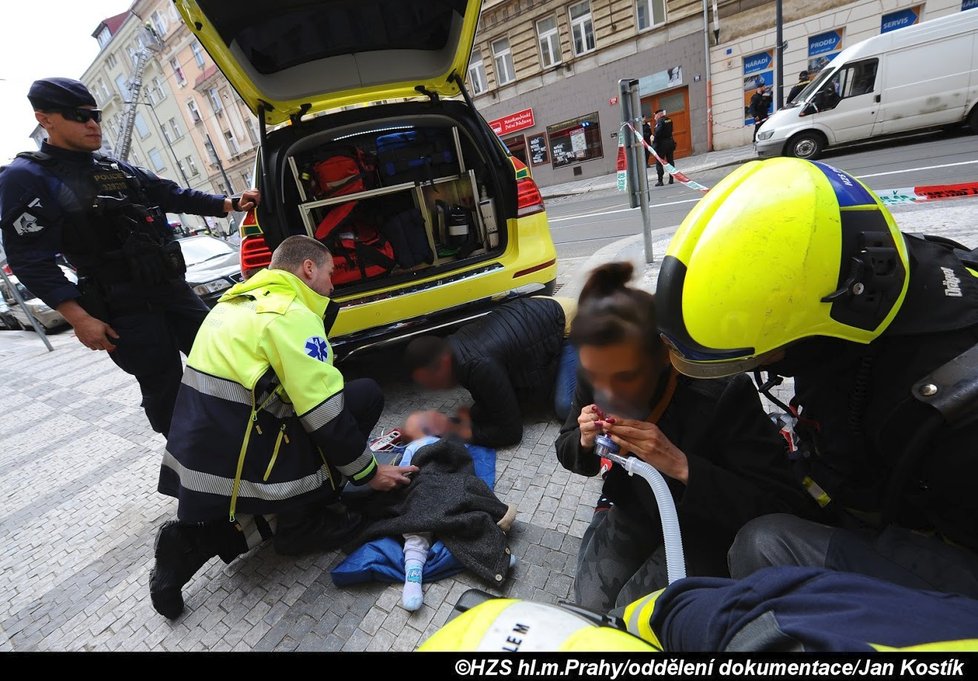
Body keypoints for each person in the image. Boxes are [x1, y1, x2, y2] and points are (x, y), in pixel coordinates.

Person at [655, 157, 978, 598]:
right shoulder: (867, 280)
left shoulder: (954, 411)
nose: (764, 368)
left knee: (762, 545)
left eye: (769, 355)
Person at [150, 235, 418, 619]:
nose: (332, 285)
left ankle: (192, 542)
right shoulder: (290, 313)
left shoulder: (235, 302)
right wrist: (369, 473)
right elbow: (324, 413)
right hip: (245, 461)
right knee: (363, 397)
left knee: (337, 410)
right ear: (308, 268)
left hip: (205, 464)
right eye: (330, 273)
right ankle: (303, 525)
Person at [554, 263, 820, 613]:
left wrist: (681, 465)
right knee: (590, 606)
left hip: (706, 526)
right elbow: (567, 444)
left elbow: (779, 504)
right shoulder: (595, 372)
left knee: (631, 617)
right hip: (636, 506)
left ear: (665, 359)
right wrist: (585, 440)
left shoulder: (721, 392)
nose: (608, 395)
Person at [0, 77, 259, 436]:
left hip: (170, 289)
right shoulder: (27, 176)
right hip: (125, 306)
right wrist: (78, 318)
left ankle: (251, 445)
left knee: (230, 364)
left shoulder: (110, 166)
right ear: (46, 120)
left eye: (95, 115)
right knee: (166, 392)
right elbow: (29, 259)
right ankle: (190, 474)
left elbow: (167, 193)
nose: (93, 124)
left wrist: (228, 203)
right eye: (79, 116)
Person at [402, 295, 578, 448]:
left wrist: (449, 429)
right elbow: (490, 405)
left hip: (570, 324)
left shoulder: (478, 364)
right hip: (538, 311)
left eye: (430, 381)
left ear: (443, 362)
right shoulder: (454, 350)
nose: (432, 388)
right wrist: (438, 424)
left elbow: (511, 433)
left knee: (564, 406)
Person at [651, 109, 676, 186]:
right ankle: (671, 179)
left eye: (655, 115)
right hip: (670, 142)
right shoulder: (669, 120)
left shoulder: (660, 121)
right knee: (670, 161)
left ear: (658, 115)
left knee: (659, 162)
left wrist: (653, 138)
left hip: (661, 144)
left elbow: (658, 132)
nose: (655, 117)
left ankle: (660, 181)